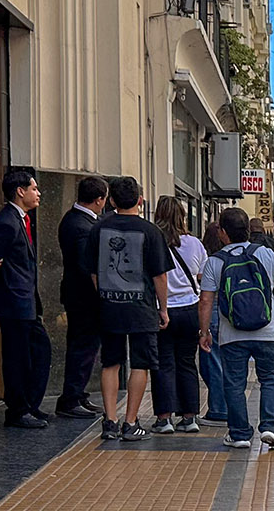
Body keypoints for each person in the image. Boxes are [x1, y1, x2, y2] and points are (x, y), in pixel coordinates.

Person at [83, 177, 171, 442]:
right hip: (141, 307)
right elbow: (160, 276)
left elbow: (93, 272)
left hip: (109, 305)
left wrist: (104, 294)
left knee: (110, 362)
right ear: (140, 201)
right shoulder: (151, 231)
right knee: (140, 365)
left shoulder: (98, 229)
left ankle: (109, 421)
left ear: (111, 201)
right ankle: (130, 422)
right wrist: (163, 308)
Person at [199, 206, 274, 449]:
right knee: (270, 378)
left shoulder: (215, 262)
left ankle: (239, 433)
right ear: (248, 230)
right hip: (267, 330)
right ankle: (270, 426)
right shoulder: (266, 254)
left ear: (222, 232)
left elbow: (206, 301)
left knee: (234, 382)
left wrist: (205, 331)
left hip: (232, 334)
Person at [0, 168, 52, 428]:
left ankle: (29, 405)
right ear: (20, 191)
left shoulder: (22, 218)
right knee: (17, 358)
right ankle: (18, 411)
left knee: (39, 351)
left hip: (26, 301)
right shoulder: (6, 221)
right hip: (13, 301)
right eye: (34, 189)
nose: (38, 193)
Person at [54, 175, 108, 419]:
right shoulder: (82, 226)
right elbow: (86, 265)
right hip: (84, 297)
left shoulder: (73, 219)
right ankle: (71, 397)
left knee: (84, 346)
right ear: (98, 200)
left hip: (77, 295)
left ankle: (77, 394)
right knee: (83, 348)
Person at [153, 196, 208, 434]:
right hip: (189, 308)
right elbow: (203, 274)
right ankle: (190, 416)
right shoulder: (194, 243)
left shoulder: (153, 240)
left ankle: (164, 418)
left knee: (164, 363)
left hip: (161, 308)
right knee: (187, 362)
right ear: (182, 217)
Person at [197, 220, 231, 426]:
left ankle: (218, 408)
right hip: (229, 311)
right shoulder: (229, 257)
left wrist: (203, 329)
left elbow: (206, 298)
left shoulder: (210, 260)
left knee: (212, 361)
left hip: (214, 311)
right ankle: (227, 406)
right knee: (226, 363)